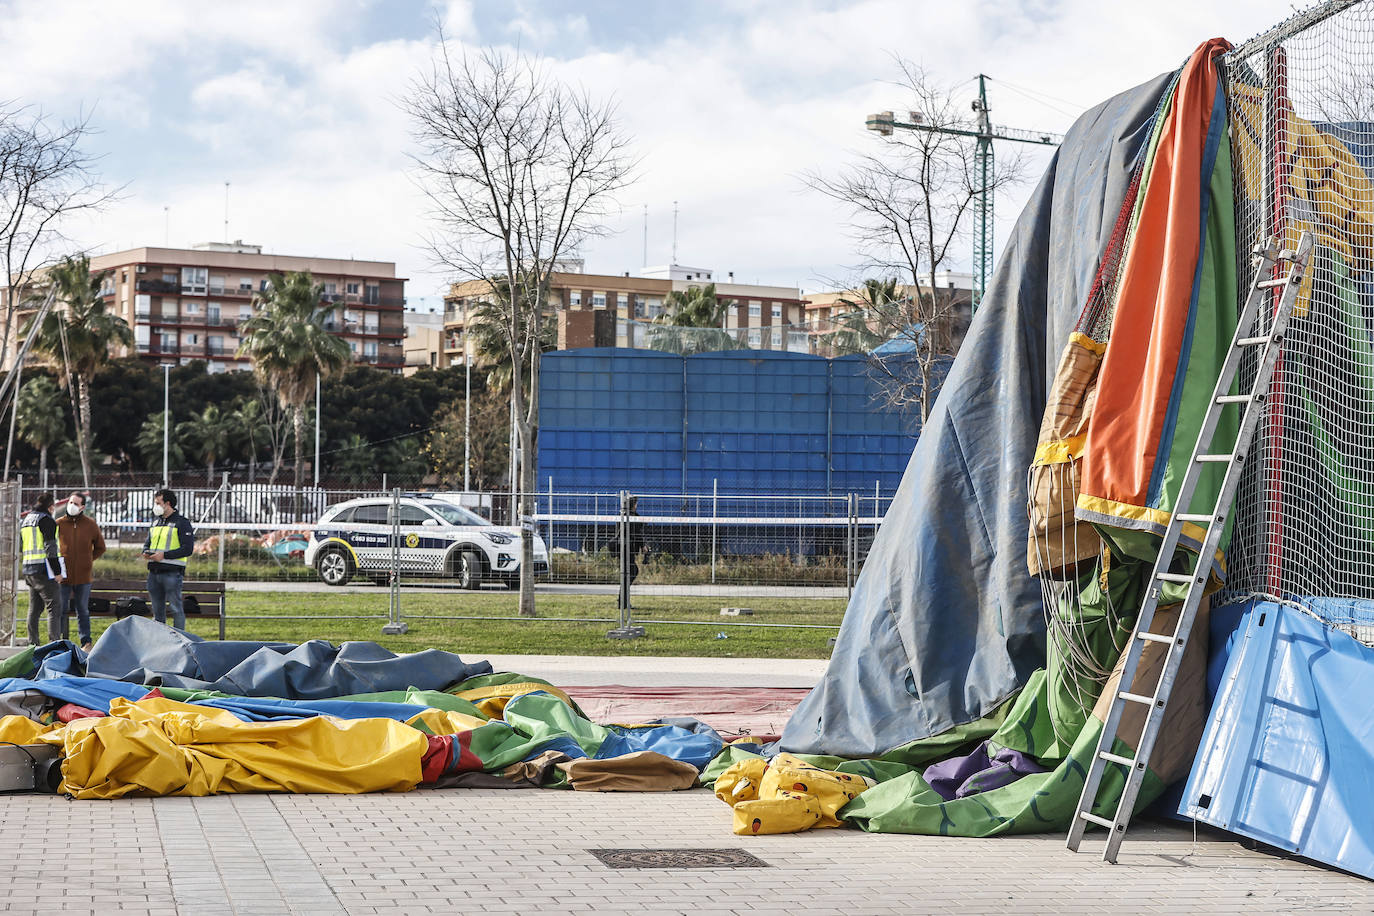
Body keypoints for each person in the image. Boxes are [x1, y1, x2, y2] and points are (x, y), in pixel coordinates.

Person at [56, 492, 106, 652]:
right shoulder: (59, 523)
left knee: (82, 610)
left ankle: (86, 642)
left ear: (82, 507)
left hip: (84, 577)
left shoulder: (90, 524)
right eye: (71, 502)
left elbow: (101, 547)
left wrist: (87, 560)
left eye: (76, 503)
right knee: (61, 609)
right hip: (62, 577)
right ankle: (62, 641)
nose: (72, 505)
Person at [142, 488, 194, 630]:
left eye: (158, 503)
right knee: (157, 613)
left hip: (172, 573)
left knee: (176, 609)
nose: (155, 506)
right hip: (154, 573)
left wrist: (164, 555)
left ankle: (180, 640)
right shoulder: (155, 522)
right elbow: (148, 543)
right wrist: (146, 552)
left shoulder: (182, 523)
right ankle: (160, 642)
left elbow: (187, 549)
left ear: (168, 503)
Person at [19, 492, 65, 645]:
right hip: (44, 571)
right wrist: (57, 572)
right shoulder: (46, 520)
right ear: (51, 507)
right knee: (54, 606)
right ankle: (54, 644)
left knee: (35, 609)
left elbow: (21, 546)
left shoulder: (26, 520)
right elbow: (50, 548)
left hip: (28, 570)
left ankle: (33, 644)